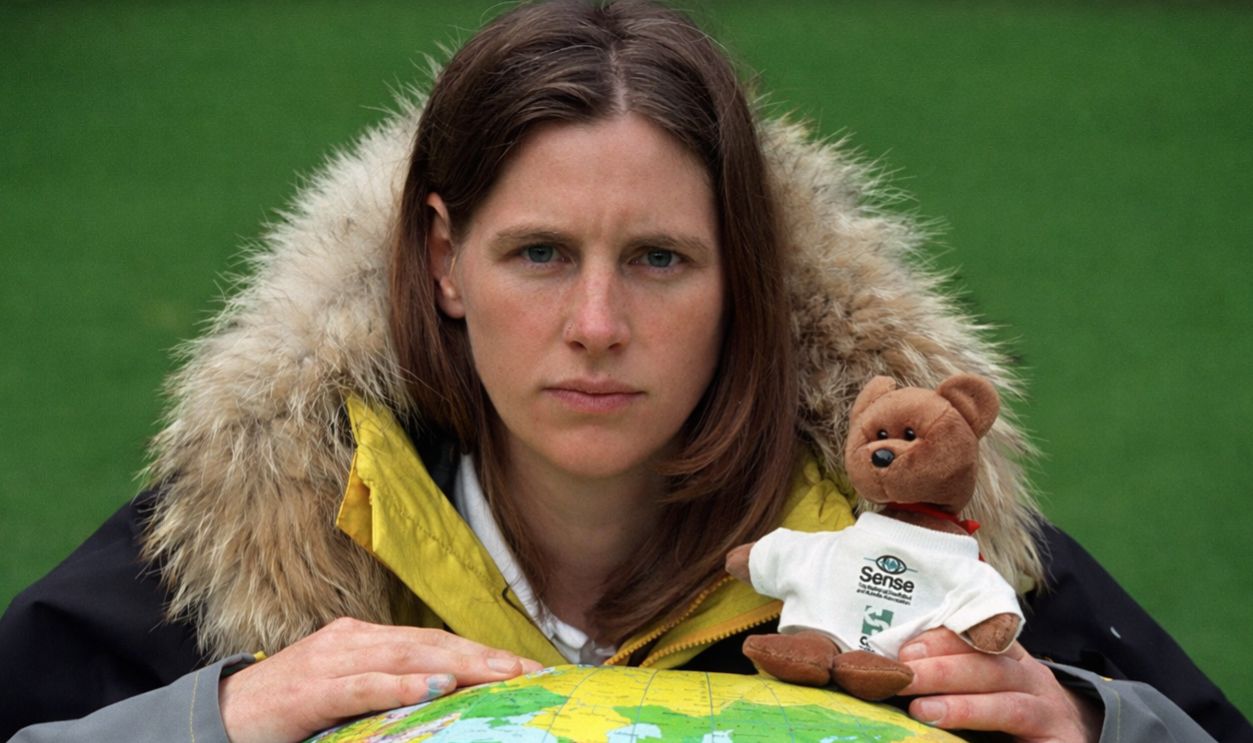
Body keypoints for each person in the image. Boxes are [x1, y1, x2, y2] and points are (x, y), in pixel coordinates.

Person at [1, 1, 1248, 741]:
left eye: (658, 258)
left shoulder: (936, 561)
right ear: (443, 261)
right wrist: (204, 722)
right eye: (537, 253)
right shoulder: (220, 567)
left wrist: (1098, 725)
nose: (595, 322)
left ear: (743, 276)